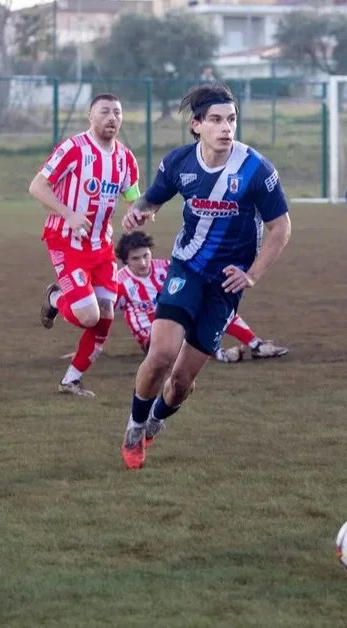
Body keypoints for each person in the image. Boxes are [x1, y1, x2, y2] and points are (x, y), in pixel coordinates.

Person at [117, 81, 291, 470]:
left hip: (225, 286)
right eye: (216, 120)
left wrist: (252, 274)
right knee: (160, 353)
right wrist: (140, 210)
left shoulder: (255, 169)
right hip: (187, 268)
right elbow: (153, 198)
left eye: (231, 119)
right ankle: (134, 426)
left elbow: (281, 228)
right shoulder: (179, 163)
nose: (226, 128)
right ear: (197, 125)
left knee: (180, 383)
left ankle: (157, 419)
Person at [30, 93, 140, 398]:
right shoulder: (73, 149)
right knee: (89, 316)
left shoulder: (125, 158)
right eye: (104, 112)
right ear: (90, 117)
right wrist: (68, 213)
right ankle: (55, 298)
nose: (112, 118)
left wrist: (139, 212)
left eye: (117, 113)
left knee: (105, 315)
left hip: (101, 247)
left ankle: (72, 380)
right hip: (65, 241)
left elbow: (133, 197)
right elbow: (37, 186)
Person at [114, 230, 289, 362]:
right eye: (136, 259)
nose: (143, 262)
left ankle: (256, 344)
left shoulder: (165, 267)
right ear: (126, 260)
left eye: (145, 255)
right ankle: (220, 354)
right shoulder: (120, 282)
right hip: (152, 340)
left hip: (178, 325)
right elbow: (105, 314)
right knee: (185, 320)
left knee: (215, 306)